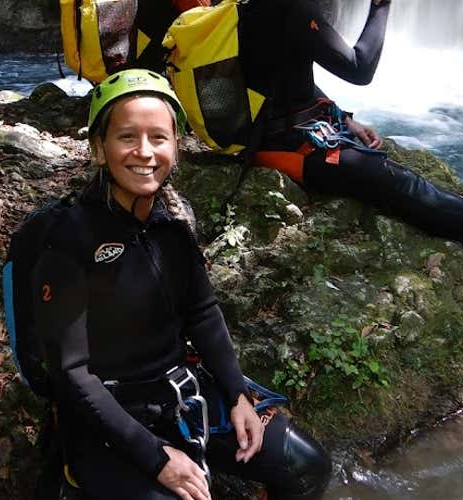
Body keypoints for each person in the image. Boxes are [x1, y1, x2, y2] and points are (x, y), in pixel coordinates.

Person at [32, 69, 331, 500]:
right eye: (126, 137)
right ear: (99, 149)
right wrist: (157, 459)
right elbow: (71, 374)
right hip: (106, 424)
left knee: (308, 468)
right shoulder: (69, 241)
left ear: (176, 147)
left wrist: (237, 397)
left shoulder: (170, 227)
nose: (144, 152)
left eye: (159, 137)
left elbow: (202, 313)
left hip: (180, 401)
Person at [241, 0, 463, 289]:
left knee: (394, 189)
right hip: (282, 147)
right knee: (401, 183)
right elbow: (360, 68)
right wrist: (380, 6)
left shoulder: (251, 5)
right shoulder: (288, 8)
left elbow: (282, 79)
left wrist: (344, 118)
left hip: (275, 132)